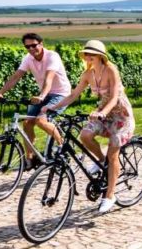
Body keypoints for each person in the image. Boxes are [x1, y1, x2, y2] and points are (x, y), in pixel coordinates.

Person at [45, 40, 135, 214]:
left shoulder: (111, 70)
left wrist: (103, 112)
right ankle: (102, 160)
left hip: (120, 114)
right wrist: (52, 107)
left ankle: (110, 196)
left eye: (91, 53)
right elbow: (73, 95)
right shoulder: (87, 74)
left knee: (114, 149)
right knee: (85, 135)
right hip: (102, 112)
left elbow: (115, 96)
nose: (88, 56)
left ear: (101, 56)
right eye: (86, 54)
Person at [0, 33, 72, 167]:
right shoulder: (28, 58)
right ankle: (30, 159)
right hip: (44, 94)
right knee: (27, 123)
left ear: (41, 43)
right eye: (27, 47)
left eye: (33, 45)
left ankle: (62, 146)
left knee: (41, 120)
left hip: (60, 94)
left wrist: (41, 96)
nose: (30, 49)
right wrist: (0, 92)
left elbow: (49, 79)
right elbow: (16, 76)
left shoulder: (52, 56)